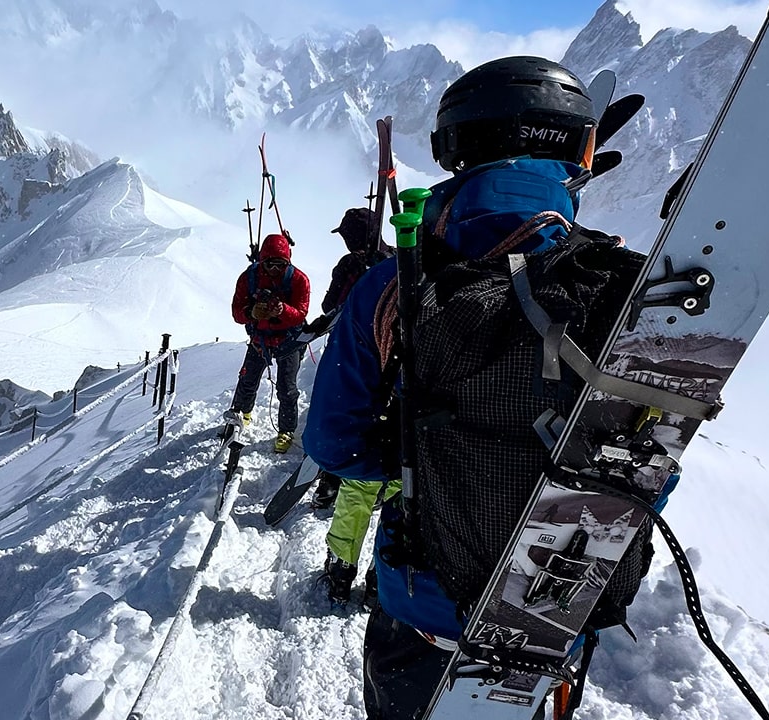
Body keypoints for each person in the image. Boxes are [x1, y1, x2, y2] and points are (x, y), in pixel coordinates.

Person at [304, 55, 621, 719]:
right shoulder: (624, 288)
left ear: (455, 148)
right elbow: (652, 458)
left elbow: (333, 443)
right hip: (552, 618)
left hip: (422, 609)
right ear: (578, 151)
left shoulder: (392, 287)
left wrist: (417, 450)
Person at [309, 206, 391, 512]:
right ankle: (384, 483)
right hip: (393, 352)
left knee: (343, 412)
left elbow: (331, 304)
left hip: (351, 351)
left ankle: (330, 484)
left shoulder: (350, 264)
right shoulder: (398, 257)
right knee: (385, 414)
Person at [226, 233, 311, 453]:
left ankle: (286, 430)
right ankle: (241, 415)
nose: (274, 269)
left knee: (287, 388)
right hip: (260, 338)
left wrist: (283, 311)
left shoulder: (299, 280)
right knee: (247, 379)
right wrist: (251, 312)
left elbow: (301, 314)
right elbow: (237, 311)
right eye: (270, 264)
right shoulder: (249, 278)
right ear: (262, 261)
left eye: (280, 264)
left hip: (289, 341)